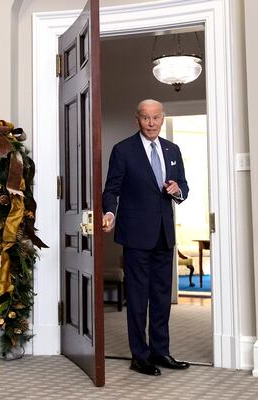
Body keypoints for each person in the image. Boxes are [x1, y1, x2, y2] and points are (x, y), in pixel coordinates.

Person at [102, 99, 190, 376]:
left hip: (165, 235)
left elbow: (184, 187)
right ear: (137, 119)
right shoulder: (123, 150)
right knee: (138, 299)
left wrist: (177, 190)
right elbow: (111, 188)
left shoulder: (172, 150)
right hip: (136, 235)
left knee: (162, 298)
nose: (151, 123)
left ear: (162, 118)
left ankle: (160, 352)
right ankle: (139, 356)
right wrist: (109, 213)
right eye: (145, 118)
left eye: (156, 118)